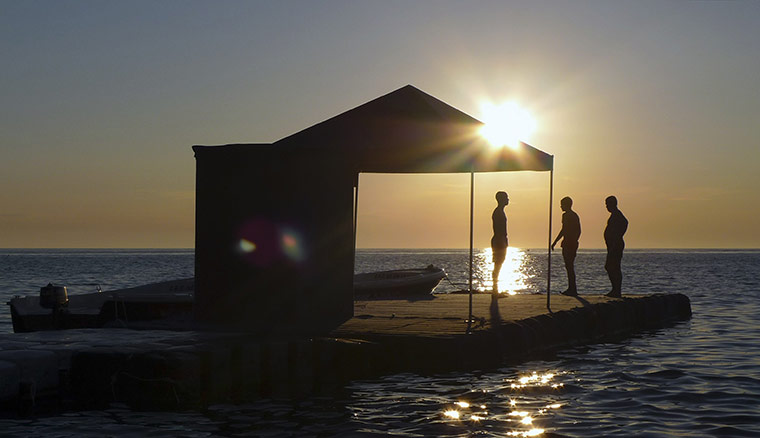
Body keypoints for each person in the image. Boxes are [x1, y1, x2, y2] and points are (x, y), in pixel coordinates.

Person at [551, 196, 581, 296]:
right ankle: (571, 288)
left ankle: (572, 289)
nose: (560, 206)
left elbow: (566, 230)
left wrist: (572, 240)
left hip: (570, 244)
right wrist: (556, 241)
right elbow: (566, 230)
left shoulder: (569, 216)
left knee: (569, 266)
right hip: (569, 243)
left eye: (562, 204)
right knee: (569, 266)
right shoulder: (572, 215)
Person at [604, 195, 628, 298]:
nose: (606, 207)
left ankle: (616, 290)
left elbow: (625, 223)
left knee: (613, 266)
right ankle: (615, 289)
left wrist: (617, 237)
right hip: (612, 245)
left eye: (607, 204)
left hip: (616, 245)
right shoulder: (614, 215)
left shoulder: (617, 215)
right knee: (610, 266)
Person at [491, 191, 509, 295]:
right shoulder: (498, 212)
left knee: (499, 264)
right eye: (506, 197)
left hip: (501, 239)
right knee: (497, 265)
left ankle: (496, 289)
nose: (508, 199)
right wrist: (502, 241)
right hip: (499, 240)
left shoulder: (500, 212)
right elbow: (498, 229)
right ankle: (495, 290)